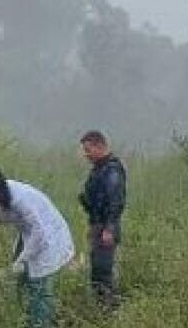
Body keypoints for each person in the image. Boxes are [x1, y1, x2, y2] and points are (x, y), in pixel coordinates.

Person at [0, 166, 74, 328]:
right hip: (30, 236)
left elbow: (39, 233)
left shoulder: (20, 199)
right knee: (22, 281)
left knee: (39, 288)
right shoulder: (4, 191)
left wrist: (23, 258)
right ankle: (27, 318)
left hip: (47, 238)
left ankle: (40, 322)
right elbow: (2, 215)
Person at [79, 130, 126, 309]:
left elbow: (115, 201)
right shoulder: (99, 169)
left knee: (104, 271)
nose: (86, 154)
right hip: (98, 225)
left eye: (88, 150)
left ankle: (111, 311)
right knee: (97, 271)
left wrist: (109, 228)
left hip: (106, 228)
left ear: (100, 146)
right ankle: (102, 309)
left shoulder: (112, 170)